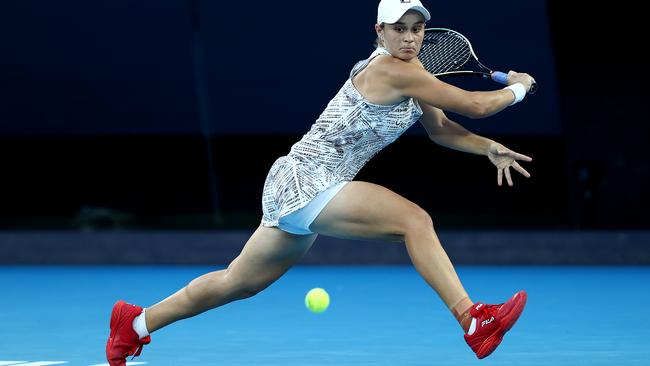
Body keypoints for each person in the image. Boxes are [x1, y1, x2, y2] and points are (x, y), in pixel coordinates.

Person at [105, 0, 536, 364]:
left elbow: (442, 129)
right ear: (380, 32)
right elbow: (476, 105)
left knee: (238, 281)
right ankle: (473, 319)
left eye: (417, 29)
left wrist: (487, 149)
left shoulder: (414, 74)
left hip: (298, 183)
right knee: (414, 221)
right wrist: (519, 88)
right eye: (399, 29)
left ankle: (136, 322)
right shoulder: (390, 69)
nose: (409, 38)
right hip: (308, 178)